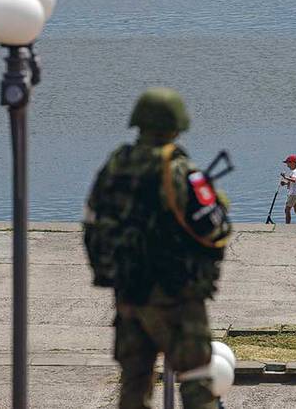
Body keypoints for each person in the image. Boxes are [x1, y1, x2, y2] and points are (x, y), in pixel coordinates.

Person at [83, 88, 231, 409]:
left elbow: (93, 222)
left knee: (134, 386)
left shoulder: (115, 165)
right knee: (197, 383)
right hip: (176, 295)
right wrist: (219, 202)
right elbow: (215, 229)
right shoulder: (180, 171)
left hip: (129, 294)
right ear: (176, 125)